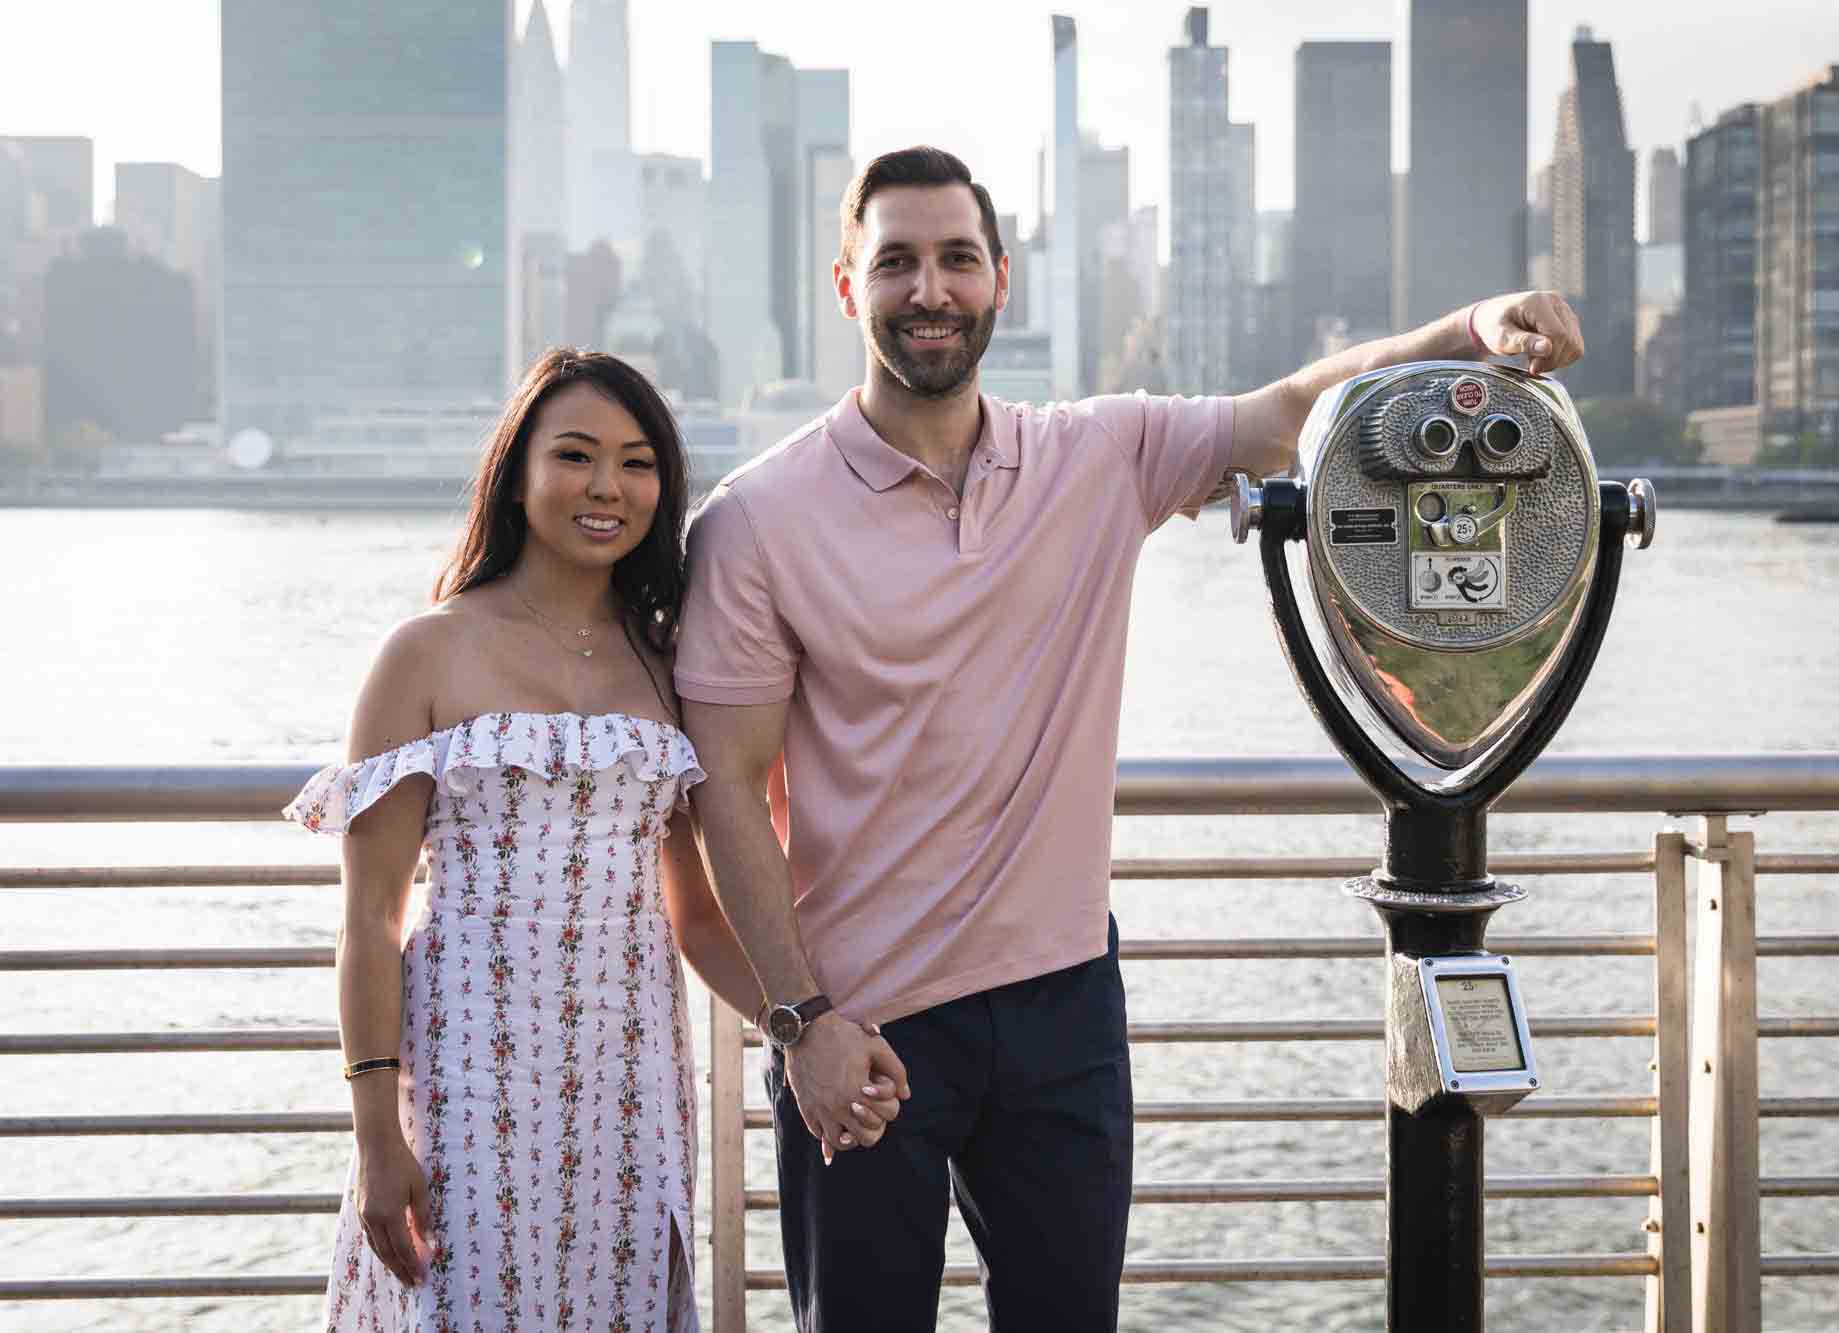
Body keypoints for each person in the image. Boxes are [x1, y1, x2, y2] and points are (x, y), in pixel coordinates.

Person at [674, 146, 1585, 1332]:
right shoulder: (754, 519)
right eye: (894, 262)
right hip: (864, 1024)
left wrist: (1467, 330)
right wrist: (797, 1022)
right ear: (847, 286)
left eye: (956, 259)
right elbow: (727, 793)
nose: (929, 290)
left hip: (1062, 1008)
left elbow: (1291, 414)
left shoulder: (1092, 457)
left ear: (1001, 279)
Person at [282, 348, 903, 1331]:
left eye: (636, 460)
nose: (607, 486)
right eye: (574, 455)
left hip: (628, 1092)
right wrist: (374, 1131)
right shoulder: (424, 652)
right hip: (461, 1086)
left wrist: (804, 1027)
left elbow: (695, 915)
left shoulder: (669, 659)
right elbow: (368, 917)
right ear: (517, 472)